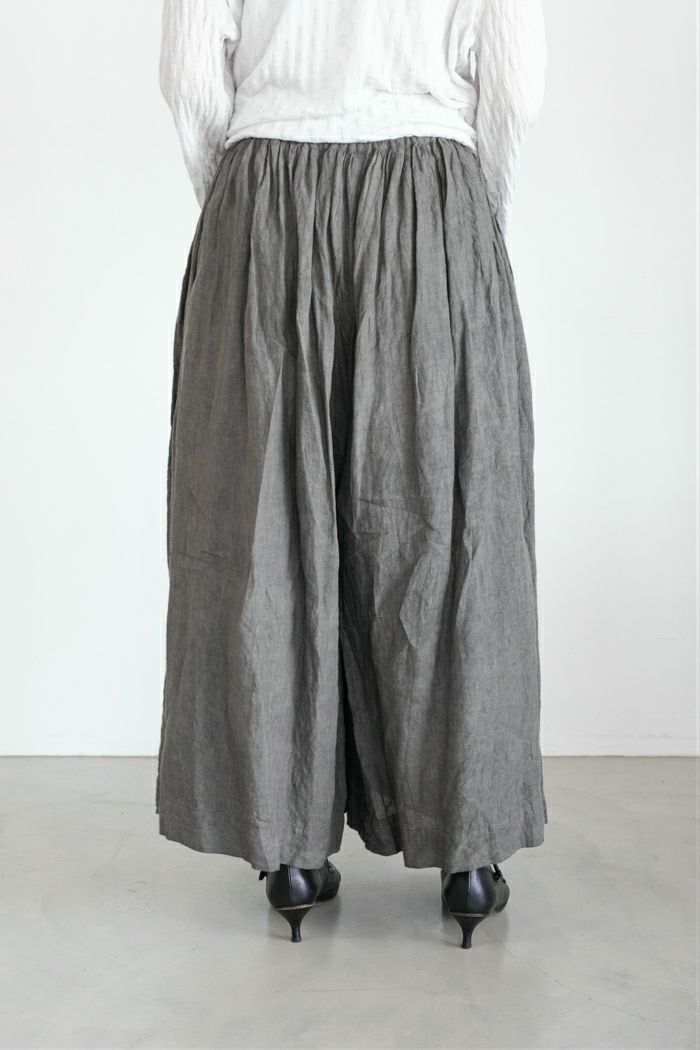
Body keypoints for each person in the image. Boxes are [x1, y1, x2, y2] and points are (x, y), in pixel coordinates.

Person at [155, 0, 548, 949]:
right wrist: (469, 205)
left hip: (265, 189)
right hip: (431, 192)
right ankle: (467, 855)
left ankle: (287, 847)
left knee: (267, 526)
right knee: (447, 520)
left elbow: (188, 72)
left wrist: (244, 192)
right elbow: (516, 80)